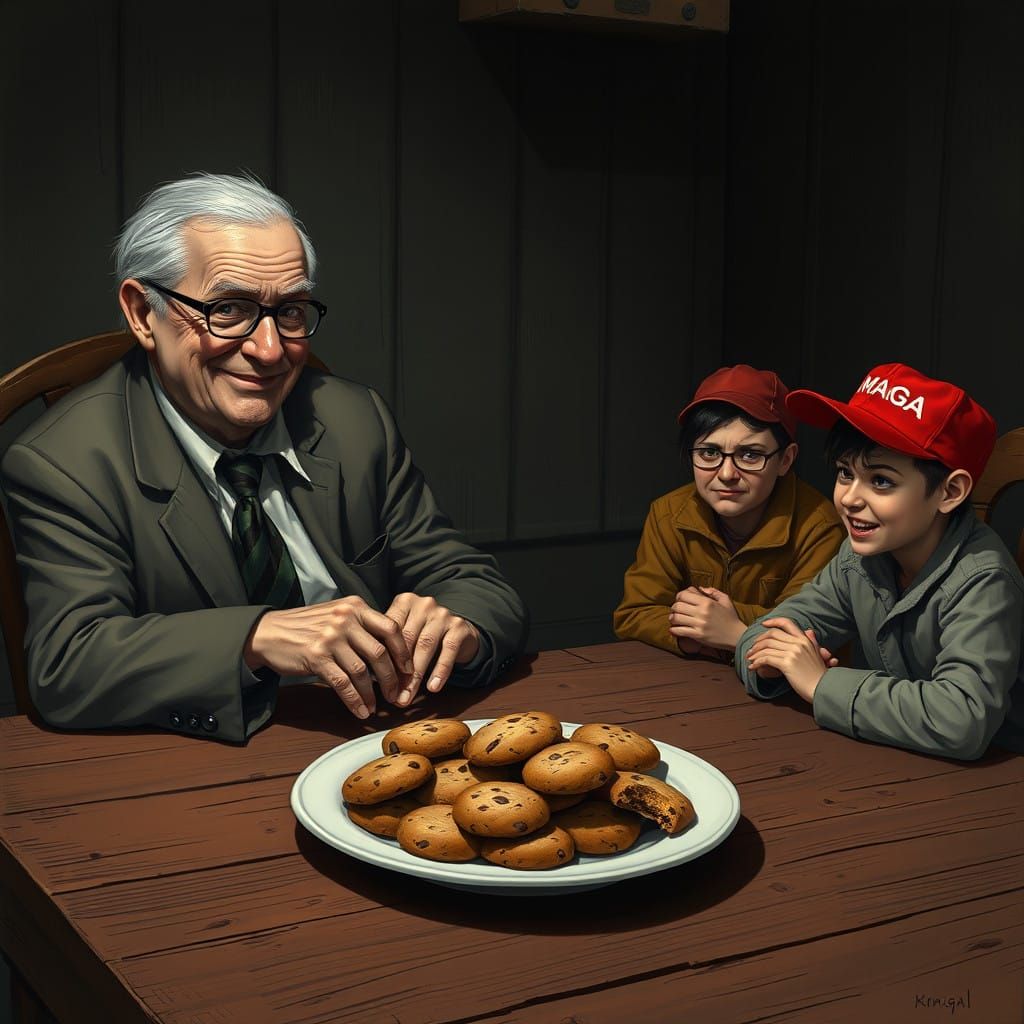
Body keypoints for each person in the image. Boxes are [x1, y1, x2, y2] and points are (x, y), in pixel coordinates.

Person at [0, 173, 528, 742]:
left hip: (378, 733)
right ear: (141, 312)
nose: (270, 350)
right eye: (228, 309)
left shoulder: (354, 420)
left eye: (292, 311)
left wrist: (458, 628)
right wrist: (257, 637)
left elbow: (471, 580)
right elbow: (68, 665)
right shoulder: (62, 463)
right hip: (205, 759)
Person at [737, 363, 1024, 760]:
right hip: (891, 758)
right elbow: (767, 631)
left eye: (881, 481)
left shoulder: (983, 579)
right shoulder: (859, 557)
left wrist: (822, 685)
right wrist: (774, 663)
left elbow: (963, 719)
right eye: (844, 473)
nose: (850, 498)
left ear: (950, 491)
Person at [613, 364, 844, 660]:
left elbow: (809, 631)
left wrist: (728, 622)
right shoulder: (668, 513)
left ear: (785, 460)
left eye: (750, 455)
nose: (726, 473)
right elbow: (634, 612)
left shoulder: (820, 525)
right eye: (709, 453)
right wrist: (695, 638)